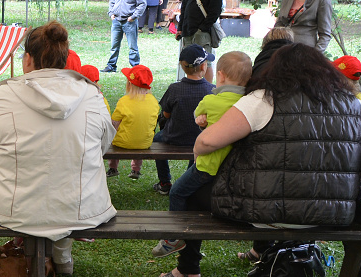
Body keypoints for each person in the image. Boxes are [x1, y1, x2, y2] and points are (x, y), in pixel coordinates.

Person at [161, 45, 361, 277]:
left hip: (263, 214)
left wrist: (199, 149)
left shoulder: (263, 100)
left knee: (192, 195)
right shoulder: (356, 106)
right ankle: (264, 253)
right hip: (331, 218)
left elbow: (207, 141)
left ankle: (188, 270)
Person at [0, 21, 116, 274]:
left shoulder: (5, 95)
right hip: (81, 205)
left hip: (10, 204)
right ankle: (63, 260)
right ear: (64, 58)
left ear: (27, 59)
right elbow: (102, 146)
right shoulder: (92, 95)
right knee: (66, 181)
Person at [152, 51, 252, 259]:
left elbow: (198, 117)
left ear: (221, 75)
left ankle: (174, 237)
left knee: (178, 192)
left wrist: (203, 121)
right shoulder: (248, 103)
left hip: (207, 164)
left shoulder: (211, 100)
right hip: (234, 167)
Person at [152, 45, 215, 195]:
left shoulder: (174, 88)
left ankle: (165, 181)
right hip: (200, 139)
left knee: (156, 140)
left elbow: (165, 115)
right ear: (204, 66)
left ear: (182, 66)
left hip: (173, 137)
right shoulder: (212, 90)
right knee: (194, 142)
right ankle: (188, 177)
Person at [106, 65, 159, 181]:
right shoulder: (154, 102)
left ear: (129, 84)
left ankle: (113, 168)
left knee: (116, 137)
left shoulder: (124, 101)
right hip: (145, 143)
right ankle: (136, 169)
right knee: (139, 133)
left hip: (122, 143)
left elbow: (114, 123)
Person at [176, 0, 224, 78]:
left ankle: (206, 91)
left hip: (202, 33)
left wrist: (202, 28)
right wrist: (180, 28)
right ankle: (191, 86)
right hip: (188, 31)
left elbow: (215, 11)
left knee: (205, 63)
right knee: (188, 61)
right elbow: (184, 7)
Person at [102, 0, 146, 73]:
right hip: (116, 20)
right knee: (114, 45)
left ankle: (135, 68)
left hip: (129, 21)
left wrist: (133, 17)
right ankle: (111, 66)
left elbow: (142, 4)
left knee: (132, 47)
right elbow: (112, 0)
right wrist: (111, 13)